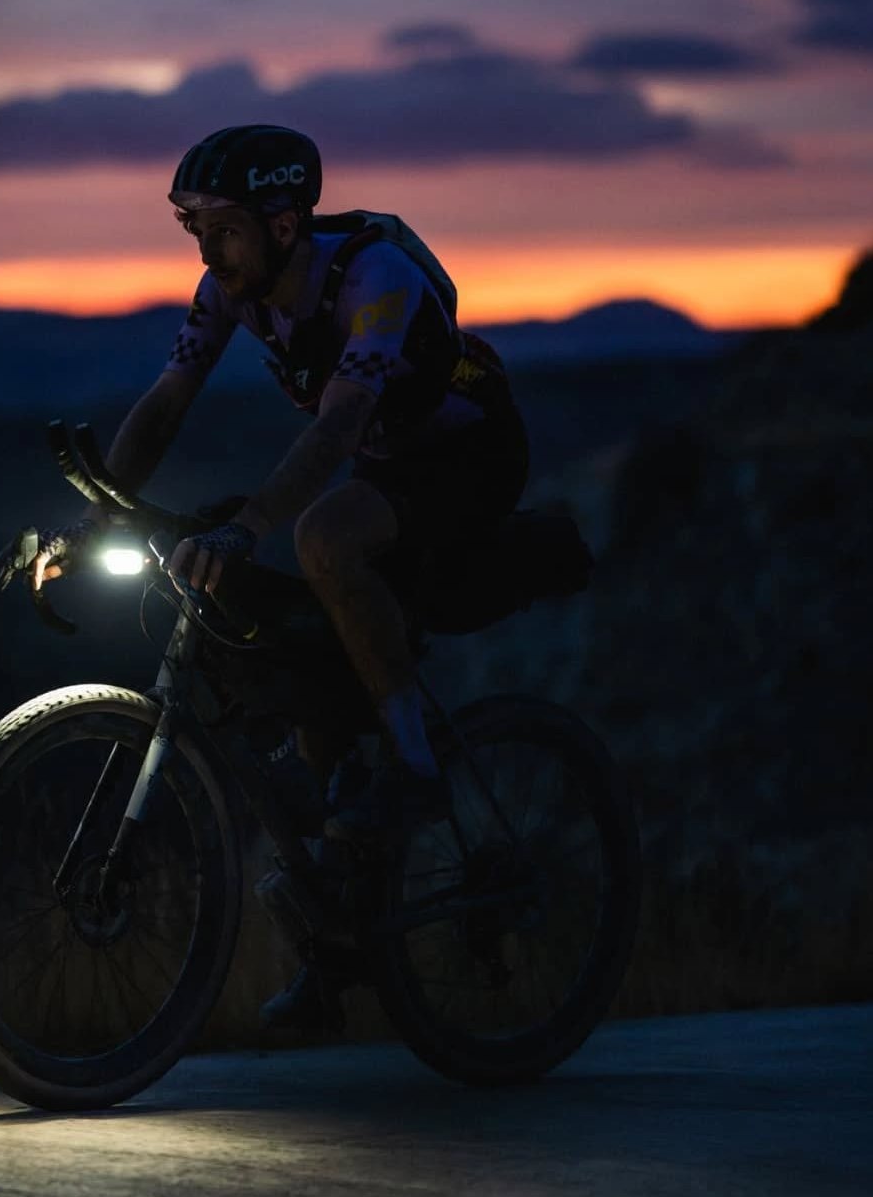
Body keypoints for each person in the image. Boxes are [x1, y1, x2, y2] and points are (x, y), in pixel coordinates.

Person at [28, 124, 529, 1024]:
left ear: (285, 225)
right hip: (389, 462)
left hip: (470, 456)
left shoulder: (377, 278)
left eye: (220, 228)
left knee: (323, 538)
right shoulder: (230, 287)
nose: (204, 248)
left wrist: (253, 525)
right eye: (194, 229)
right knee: (283, 652)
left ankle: (416, 764)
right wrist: (94, 516)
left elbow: (339, 428)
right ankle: (336, 954)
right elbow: (168, 398)